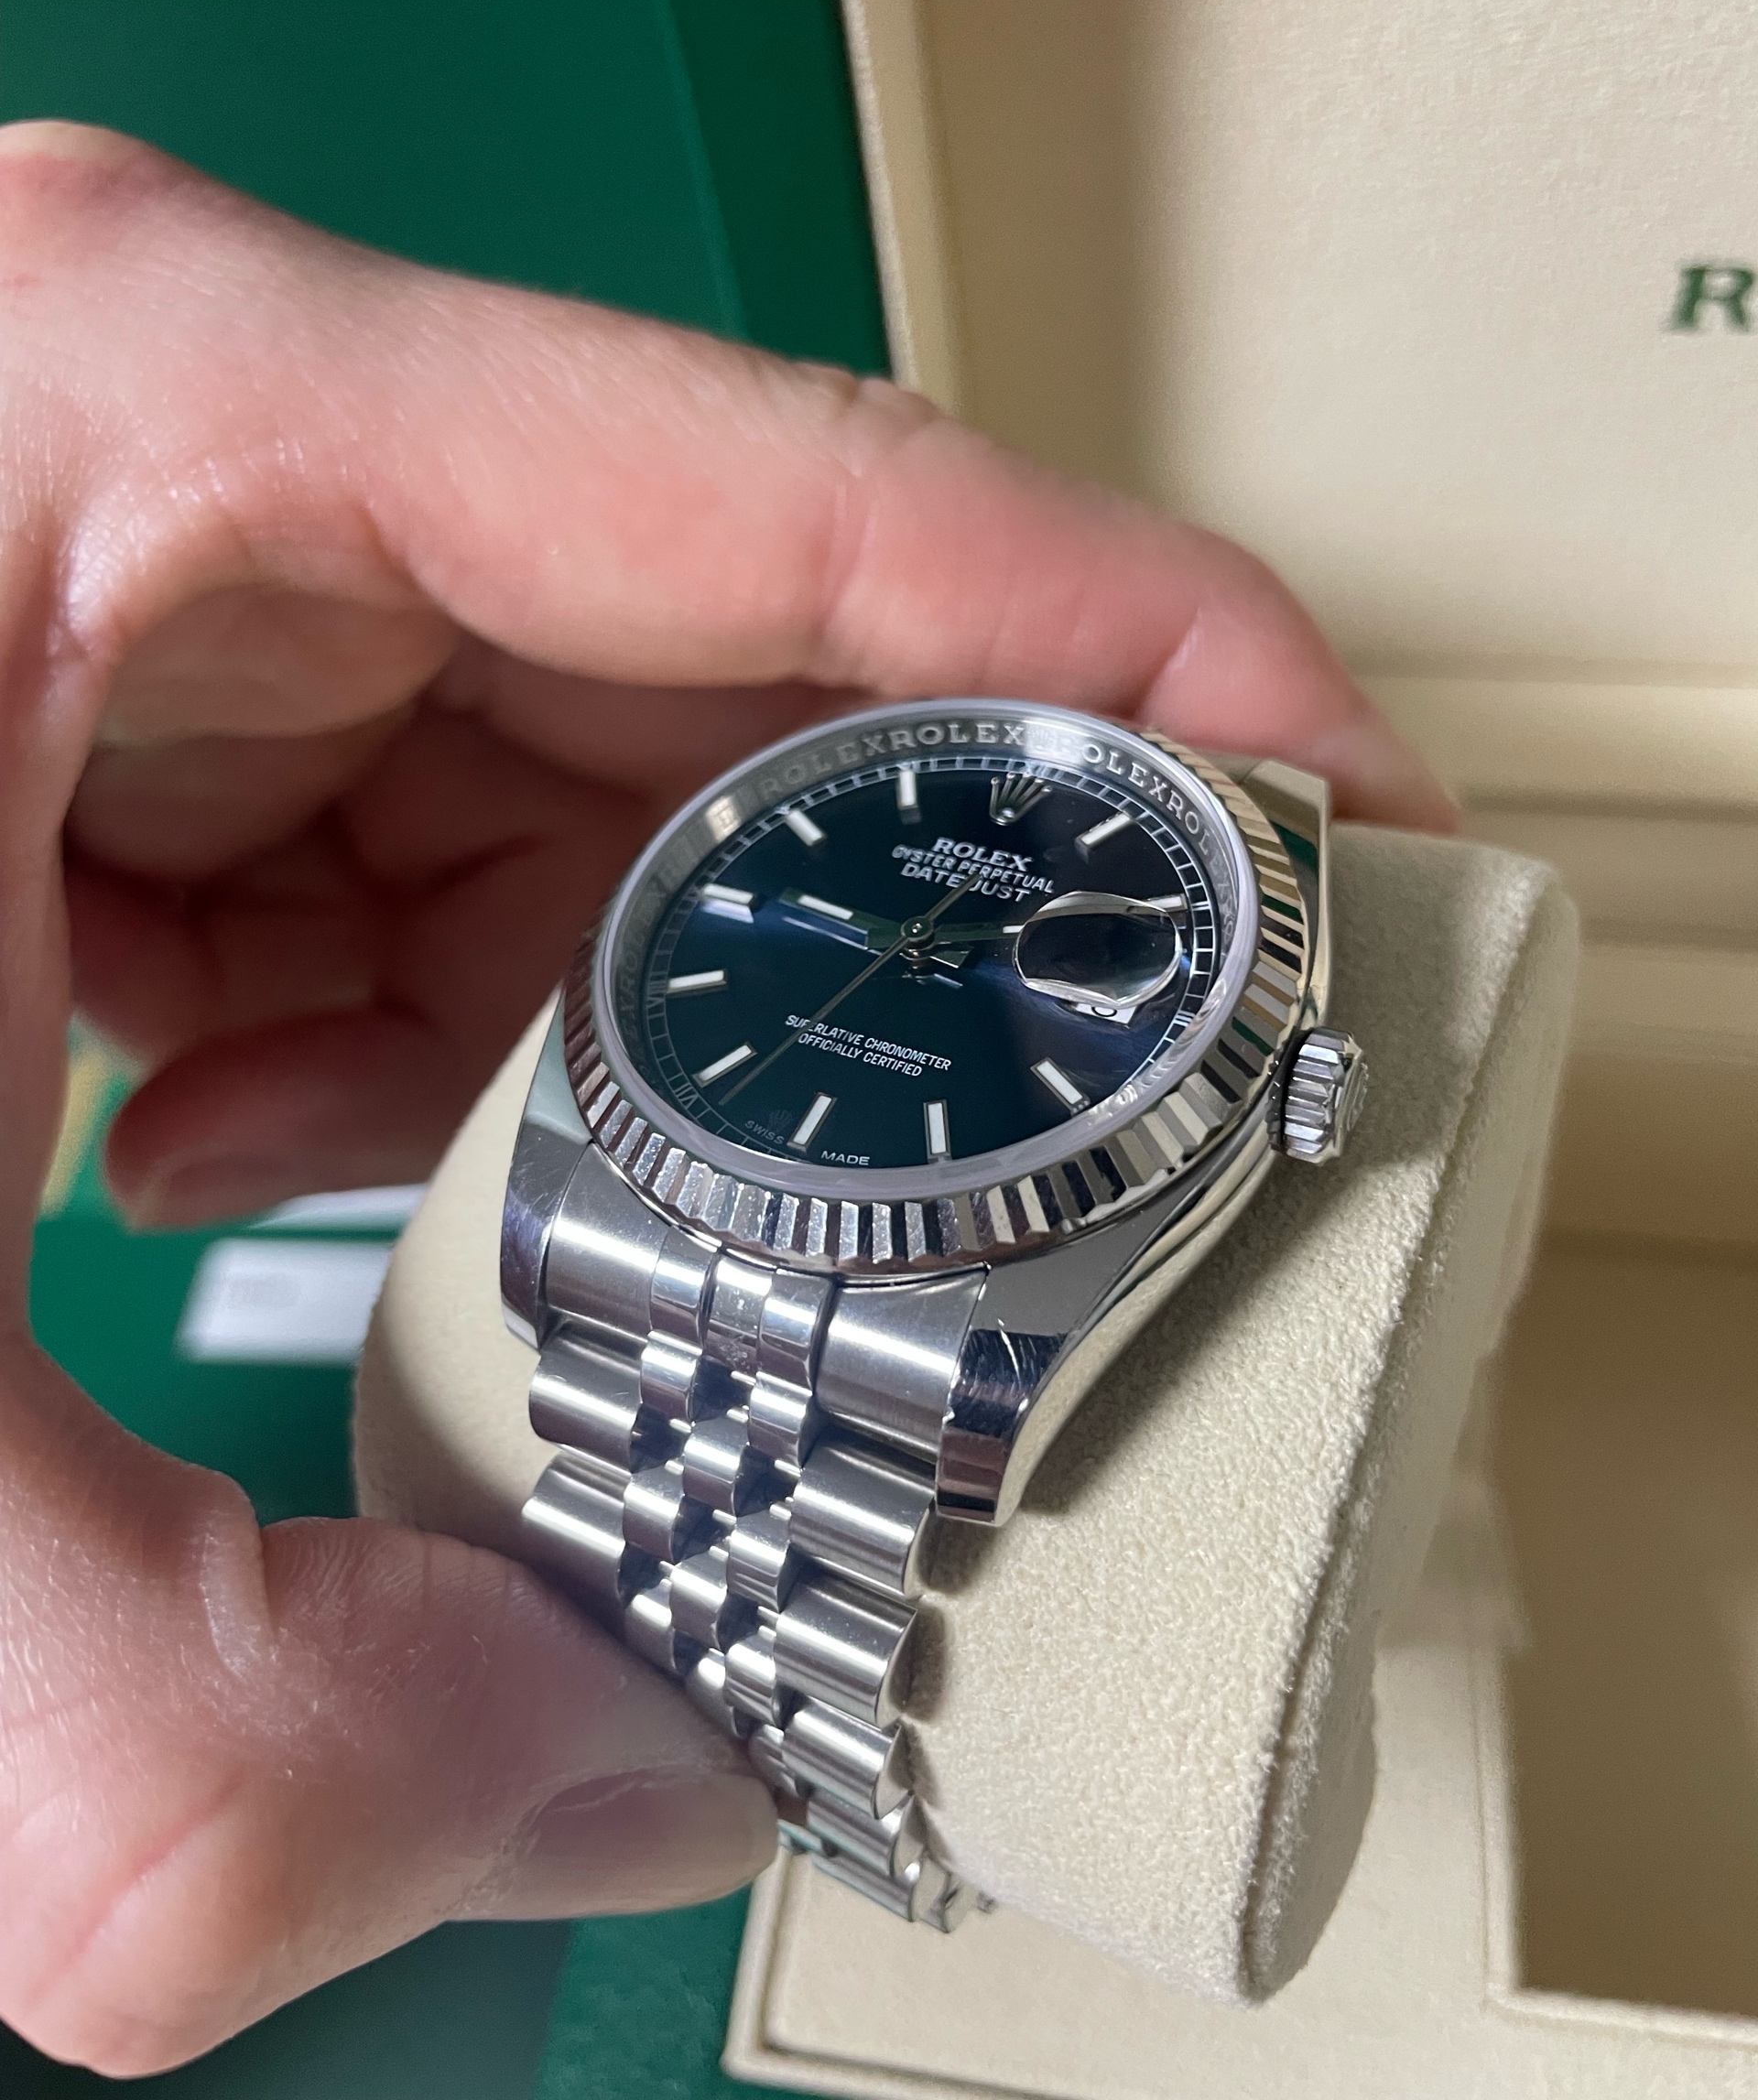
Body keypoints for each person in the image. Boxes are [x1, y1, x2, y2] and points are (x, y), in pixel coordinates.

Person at [0, 121, 1453, 2075]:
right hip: (677, 1153)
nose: (933, 945)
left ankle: (831, 1781)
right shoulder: (707, 883)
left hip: (942, 1263)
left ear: (1295, 1084)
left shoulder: (1229, 1052)